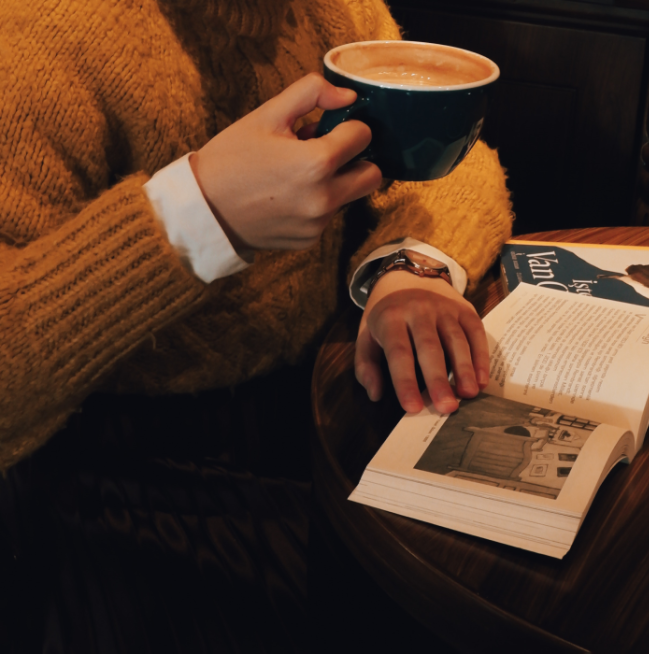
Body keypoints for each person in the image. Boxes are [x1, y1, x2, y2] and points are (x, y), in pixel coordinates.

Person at [0, 0, 512, 651]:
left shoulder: (330, 10)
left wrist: (409, 269)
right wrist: (196, 216)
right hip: (122, 467)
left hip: (317, 400)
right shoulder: (37, 35)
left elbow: (447, 153)